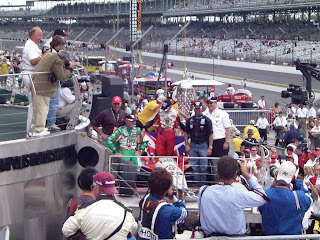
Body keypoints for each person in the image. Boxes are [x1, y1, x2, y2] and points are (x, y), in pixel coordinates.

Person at [198, 156, 268, 236]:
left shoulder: (203, 191)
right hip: (235, 237)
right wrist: (247, 175)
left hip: (211, 237)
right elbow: (263, 198)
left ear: (217, 172)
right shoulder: (239, 194)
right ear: (235, 175)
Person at [62, 171, 138, 239]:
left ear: (97, 189)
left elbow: (66, 230)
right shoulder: (126, 213)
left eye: (93, 187)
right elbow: (133, 229)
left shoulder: (84, 210)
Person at [258, 161, 316, 235]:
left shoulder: (265, 195)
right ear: (291, 177)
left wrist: (273, 185)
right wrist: (297, 182)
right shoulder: (299, 197)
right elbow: (311, 197)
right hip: (292, 237)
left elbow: (261, 209)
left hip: (270, 236)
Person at [33, 43, 77, 136]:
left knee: (43, 108)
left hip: (38, 85)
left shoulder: (50, 55)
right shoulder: (58, 61)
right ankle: (38, 130)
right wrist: (70, 69)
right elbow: (62, 76)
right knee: (42, 109)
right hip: (43, 87)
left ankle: (40, 128)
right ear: (64, 59)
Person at [138, 168, 189, 240]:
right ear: (168, 188)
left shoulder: (145, 199)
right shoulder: (167, 210)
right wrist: (173, 196)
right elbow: (185, 212)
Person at [44, 28, 69, 132]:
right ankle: (50, 123)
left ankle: (50, 122)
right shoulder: (50, 49)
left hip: (51, 79)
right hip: (51, 79)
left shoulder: (52, 49)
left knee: (51, 102)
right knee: (52, 102)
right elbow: (61, 75)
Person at [22, 26, 46, 131]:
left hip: (32, 74)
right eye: (39, 35)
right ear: (33, 35)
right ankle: (31, 129)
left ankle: (32, 128)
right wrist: (44, 56)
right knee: (34, 104)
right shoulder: (30, 46)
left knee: (35, 104)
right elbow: (33, 61)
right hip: (31, 74)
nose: (41, 37)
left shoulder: (32, 45)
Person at [184, 101, 213, 186]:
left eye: (199, 109)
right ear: (194, 109)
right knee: (194, 166)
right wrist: (186, 144)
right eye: (196, 109)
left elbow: (211, 134)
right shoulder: (190, 120)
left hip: (203, 145)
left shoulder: (207, 120)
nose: (197, 111)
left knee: (203, 166)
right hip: (193, 144)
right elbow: (186, 132)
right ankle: (196, 184)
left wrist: (210, 147)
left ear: (201, 109)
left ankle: (203, 184)